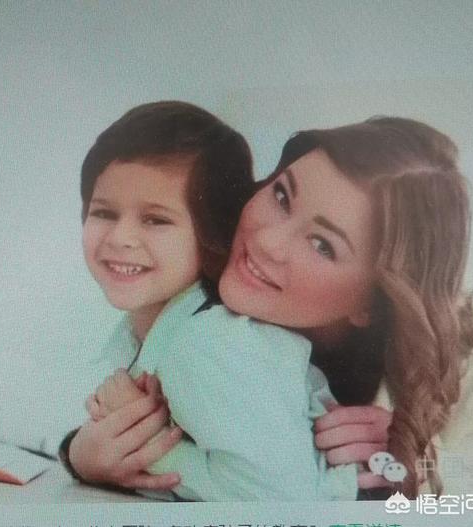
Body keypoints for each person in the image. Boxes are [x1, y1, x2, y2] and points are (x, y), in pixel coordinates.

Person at [65, 116, 473, 499]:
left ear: (372, 304)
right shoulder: (196, 298)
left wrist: (420, 463)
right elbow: (90, 400)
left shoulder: (469, 369)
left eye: (322, 245)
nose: (266, 241)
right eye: (281, 196)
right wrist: (80, 453)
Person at [61, 101, 359, 501]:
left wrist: (151, 454)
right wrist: (79, 454)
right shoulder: (142, 333)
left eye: (155, 219)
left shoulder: (205, 343)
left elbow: (278, 497)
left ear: (212, 236)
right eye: (104, 213)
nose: (120, 238)